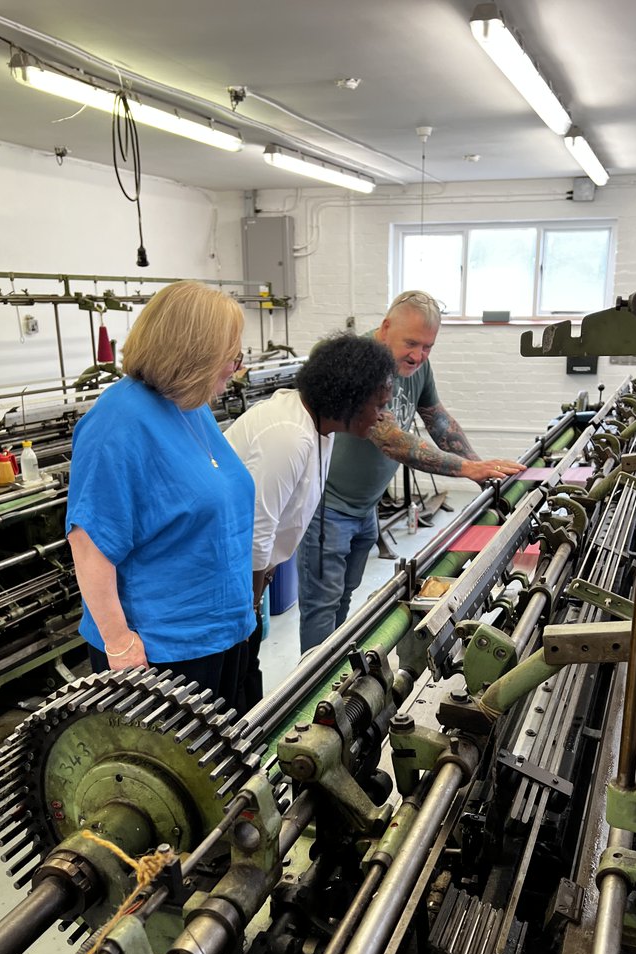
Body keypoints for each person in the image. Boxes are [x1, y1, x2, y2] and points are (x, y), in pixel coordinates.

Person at [297, 290, 526, 652]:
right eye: (412, 343)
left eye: (428, 347)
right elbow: (390, 440)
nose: (418, 355)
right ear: (386, 327)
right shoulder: (360, 366)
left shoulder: (417, 368)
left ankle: (332, 668)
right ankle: (306, 696)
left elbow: (437, 419)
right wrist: (468, 468)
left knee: (344, 598)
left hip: (365, 507)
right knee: (321, 607)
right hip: (328, 508)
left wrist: (484, 468)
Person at [66, 280, 255, 703]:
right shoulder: (116, 423)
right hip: (162, 652)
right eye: (232, 355)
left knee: (226, 763)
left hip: (220, 633)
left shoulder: (189, 405)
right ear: (195, 353)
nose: (235, 368)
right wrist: (119, 642)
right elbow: (89, 543)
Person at [226, 333, 395, 706]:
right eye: (378, 405)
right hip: (227, 579)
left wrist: (269, 570)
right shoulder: (290, 435)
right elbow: (256, 534)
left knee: (247, 677)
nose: (384, 416)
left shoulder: (320, 425)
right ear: (349, 399)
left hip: (249, 573)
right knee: (232, 682)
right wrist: (250, 610)